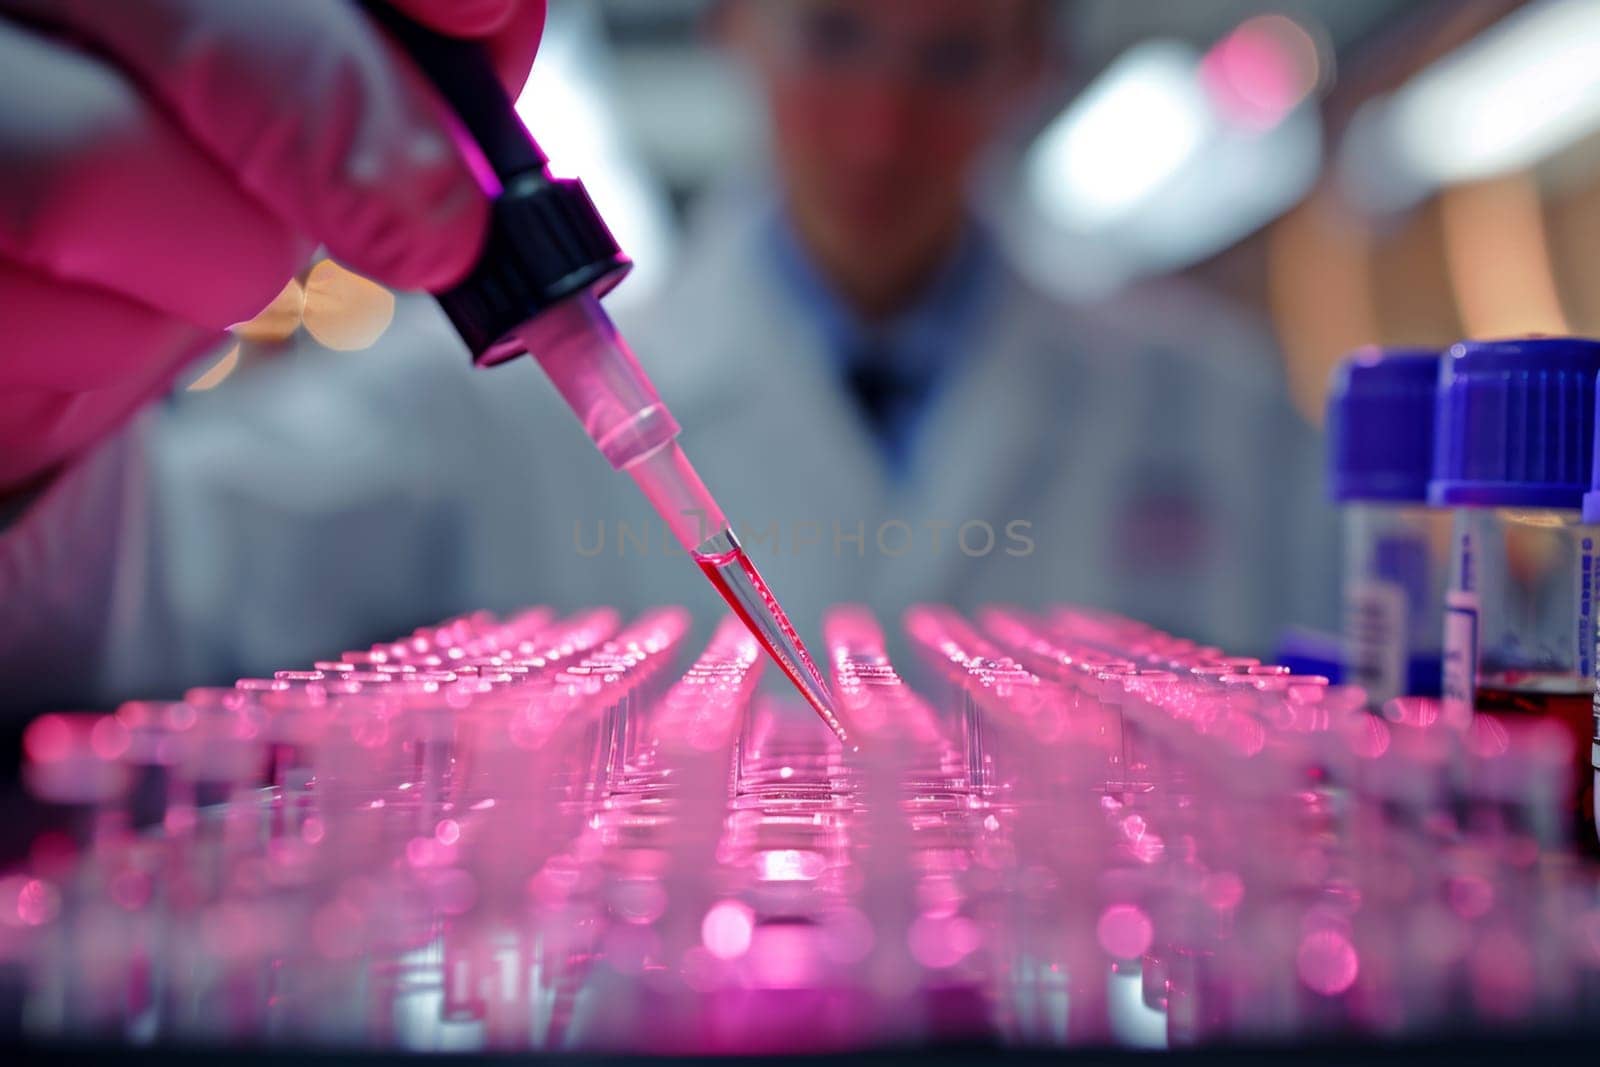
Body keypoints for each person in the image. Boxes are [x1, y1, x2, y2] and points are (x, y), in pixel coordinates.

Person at [0, 0, 1336, 711]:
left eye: (947, 56)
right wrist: (25, 436)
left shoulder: (1212, 402)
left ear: (1030, 66)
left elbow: (1374, 737)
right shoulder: (466, 411)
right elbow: (151, 590)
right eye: (835, 35)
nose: (877, 127)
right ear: (733, 25)